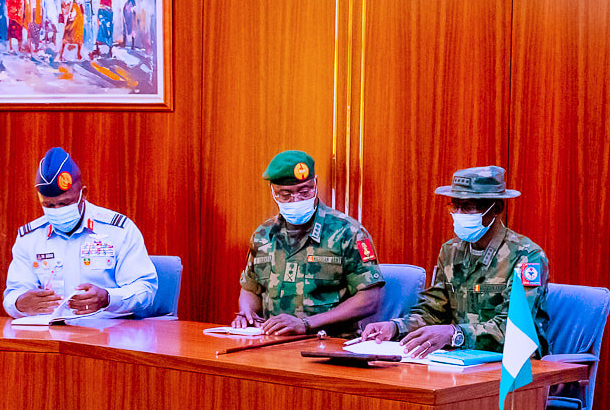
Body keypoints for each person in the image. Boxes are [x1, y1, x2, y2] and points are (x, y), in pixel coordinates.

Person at [353, 165, 548, 358]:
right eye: (456, 205)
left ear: (496, 208)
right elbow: (433, 310)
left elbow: (516, 328)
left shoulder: (527, 256)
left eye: (468, 207)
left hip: (513, 367)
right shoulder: (451, 251)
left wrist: (455, 334)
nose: (459, 213)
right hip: (459, 361)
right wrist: (395, 327)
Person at [232, 150, 384, 337]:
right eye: (286, 194)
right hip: (272, 345)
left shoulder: (348, 232)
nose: (296, 200)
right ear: (273, 192)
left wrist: (306, 324)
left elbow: (369, 299)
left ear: (315, 185)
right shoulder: (263, 235)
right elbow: (250, 288)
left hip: (329, 345)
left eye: (305, 191)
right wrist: (248, 315)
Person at [3, 146, 156, 319]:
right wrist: (20, 303)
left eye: (65, 203)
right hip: (50, 335)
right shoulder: (29, 237)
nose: (57, 210)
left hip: (107, 333)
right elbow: (12, 294)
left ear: (83, 194)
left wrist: (108, 298)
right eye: (49, 206)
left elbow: (145, 289)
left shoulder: (118, 230)